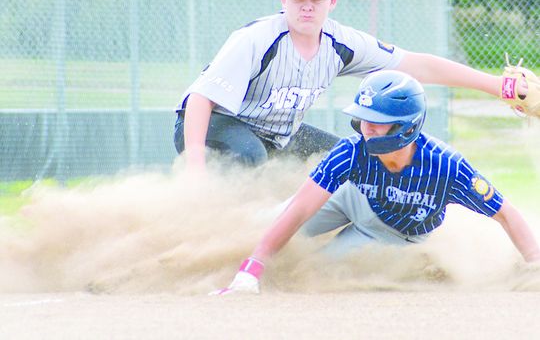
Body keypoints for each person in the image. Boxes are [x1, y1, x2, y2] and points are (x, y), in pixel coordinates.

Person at [174, 0, 528, 169]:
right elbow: (200, 100)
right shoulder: (255, 40)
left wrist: (496, 85)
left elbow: (417, 65)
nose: (307, 6)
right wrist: (194, 167)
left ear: (333, 2)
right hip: (215, 127)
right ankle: (215, 231)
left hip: (277, 136)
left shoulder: (341, 43)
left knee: (348, 162)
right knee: (249, 156)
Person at [210, 70, 540, 295]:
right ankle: (233, 272)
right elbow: (299, 211)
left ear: (406, 127)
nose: (367, 128)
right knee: (264, 227)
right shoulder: (352, 152)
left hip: (396, 233)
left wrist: (535, 266)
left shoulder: (446, 167)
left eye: (378, 123)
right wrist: (253, 268)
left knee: (321, 270)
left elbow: (506, 214)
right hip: (351, 198)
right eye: (364, 118)